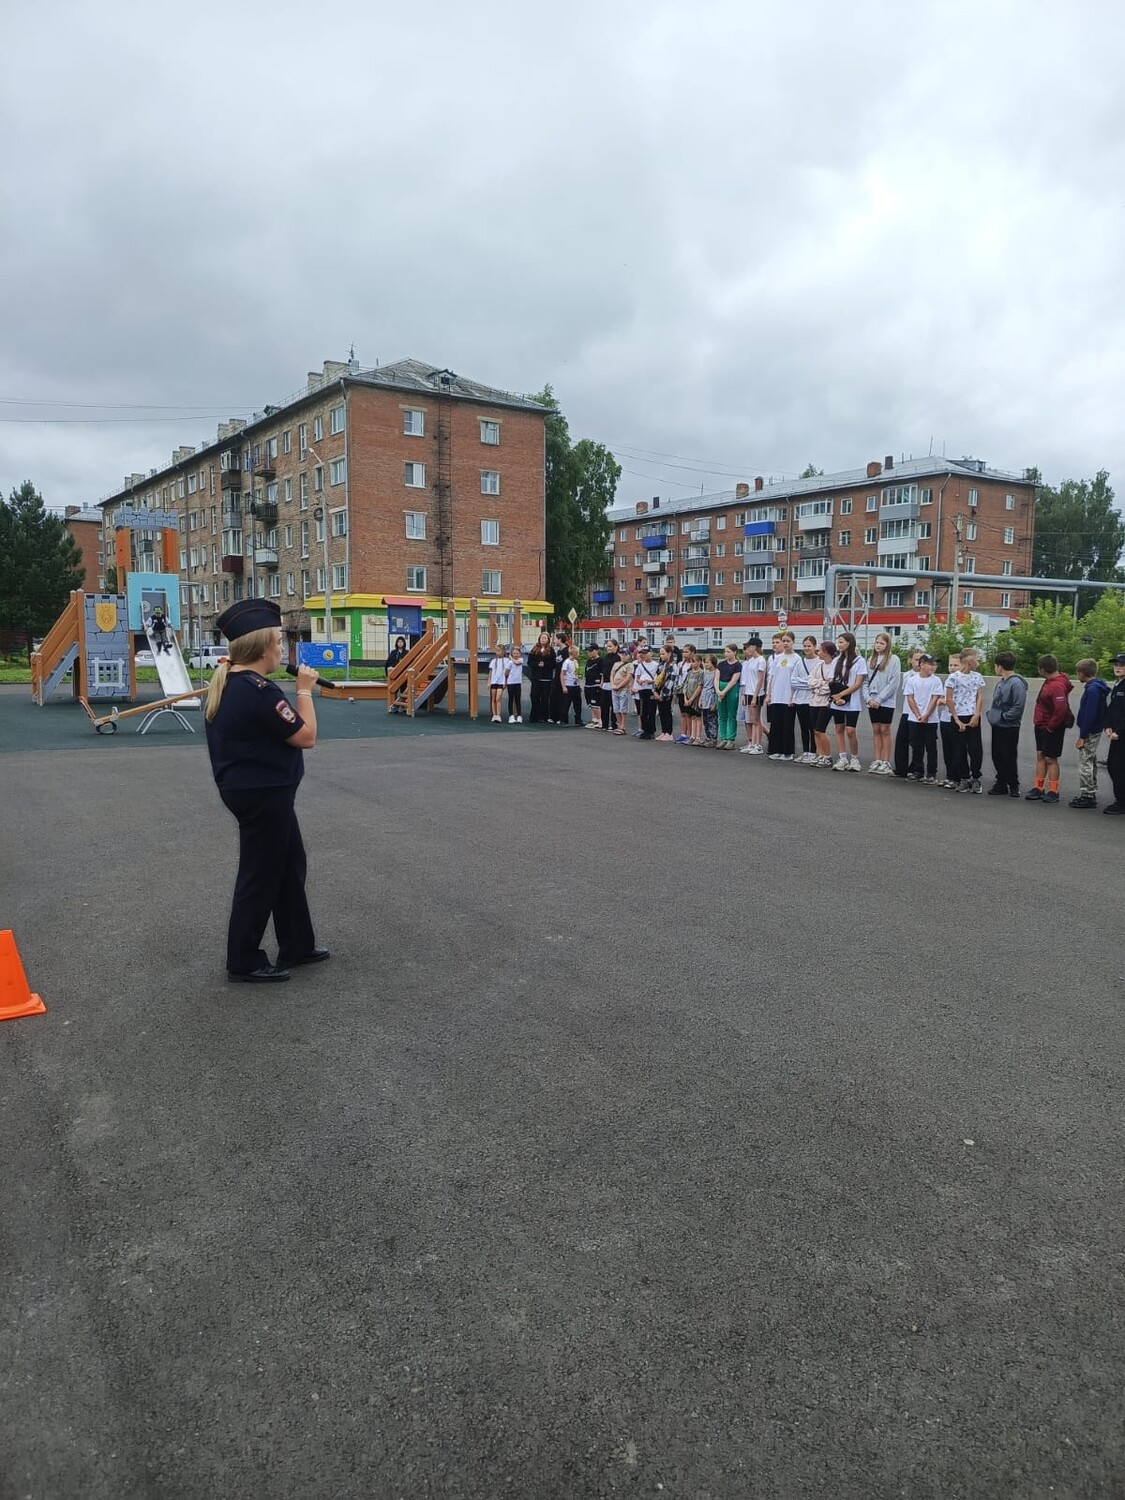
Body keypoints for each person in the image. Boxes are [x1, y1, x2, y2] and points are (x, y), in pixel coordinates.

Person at [205, 599, 326, 984]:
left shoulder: (235, 683)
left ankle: (297, 944)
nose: (282, 648)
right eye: (278, 641)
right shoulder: (257, 691)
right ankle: (243, 959)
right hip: (263, 794)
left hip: (260, 791)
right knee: (261, 875)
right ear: (261, 649)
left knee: (289, 865)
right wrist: (304, 691)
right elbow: (306, 736)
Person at [1026, 654, 1074, 804]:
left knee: (1050, 758)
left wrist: (1051, 727)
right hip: (1041, 724)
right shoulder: (1049, 681)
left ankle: (1054, 790)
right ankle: (1038, 787)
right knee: (1041, 755)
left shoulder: (1056, 685)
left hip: (1051, 726)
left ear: (1042, 669)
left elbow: (1061, 708)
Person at [985, 651, 1027, 797]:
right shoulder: (1001, 682)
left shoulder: (1016, 684)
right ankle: (1001, 783)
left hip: (1009, 726)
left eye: (995, 666)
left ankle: (1013, 784)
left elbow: (1018, 706)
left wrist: (1003, 717)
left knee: (1008, 756)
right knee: (997, 755)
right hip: (998, 725)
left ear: (1000, 667)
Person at [1070, 658, 1110, 809]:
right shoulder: (1098, 687)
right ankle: (1090, 790)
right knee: (1091, 759)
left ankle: (1087, 794)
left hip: (1090, 730)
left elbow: (1089, 714)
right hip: (1096, 729)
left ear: (1081, 673)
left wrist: (1082, 735)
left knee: (1085, 761)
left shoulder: (1092, 690)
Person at [946, 648, 985, 793]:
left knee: (975, 749)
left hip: (972, 715)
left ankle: (976, 777)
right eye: (977, 660)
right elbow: (949, 698)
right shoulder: (953, 678)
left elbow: (979, 696)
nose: (978, 663)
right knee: (959, 749)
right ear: (970, 661)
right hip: (958, 716)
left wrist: (977, 714)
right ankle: (964, 777)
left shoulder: (977, 677)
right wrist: (956, 719)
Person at [830, 632, 868, 771]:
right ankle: (842, 758)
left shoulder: (859, 661)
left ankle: (854, 758)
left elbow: (858, 683)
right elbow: (832, 680)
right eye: (838, 642)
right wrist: (836, 697)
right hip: (837, 700)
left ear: (849, 643)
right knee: (839, 728)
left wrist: (842, 694)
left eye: (841, 642)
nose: (839, 645)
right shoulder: (836, 660)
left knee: (851, 730)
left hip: (852, 700)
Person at [864, 632, 900, 776]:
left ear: (887, 645)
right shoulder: (870, 660)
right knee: (876, 730)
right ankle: (877, 759)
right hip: (871, 700)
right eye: (877, 642)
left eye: (882, 643)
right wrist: (868, 698)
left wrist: (879, 699)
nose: (878, 645)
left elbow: (894, 682)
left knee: (885, 730)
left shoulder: (894, 659)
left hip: (886, 701)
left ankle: (886, 761)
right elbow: (865, 681)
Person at [765, 632, 803, 761]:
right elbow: (771, 677)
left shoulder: (797, 659)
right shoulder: (777, 658)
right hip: (776, 696)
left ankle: (787, 751)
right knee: (776, 724)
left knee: (787, 725)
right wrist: (768, 694)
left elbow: (797, 679)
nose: (785, 643)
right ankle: (776, 750)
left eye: (788, 641)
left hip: (788, 697)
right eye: (784, 641)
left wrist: (793, 696)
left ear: (793, 642)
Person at [904, 653, 942, 782]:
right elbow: (910, 698)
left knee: (931, 746)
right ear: (922, 665)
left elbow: (934, 699)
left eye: (935, 664)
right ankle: (918, 770)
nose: (933, 667)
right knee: (916, 746)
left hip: (931, 719)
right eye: (930, 664)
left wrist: (926, 715)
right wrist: (917, 714)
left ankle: (931, 773)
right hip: (914, 718)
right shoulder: (912, 680)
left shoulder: (936, 680)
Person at [893, 649, 923, 777]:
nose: (919, 663)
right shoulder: (907, 675)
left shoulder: (926, 676)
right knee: (901, 740)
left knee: (916, 742)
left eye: (922, 660)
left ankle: (916, 767)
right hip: (907, 711)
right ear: (910, 660)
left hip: (920, 712)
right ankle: (901, 768)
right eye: (916, 659)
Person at [807, 640, 838, 766]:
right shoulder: (819, 666)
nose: (818, 652)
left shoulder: (835, 666)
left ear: (826, 652)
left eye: (819, 650)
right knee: (815, 730)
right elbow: (810, 681)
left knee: (821, 729)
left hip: (826, 703)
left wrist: (819, 687)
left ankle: (827, 756)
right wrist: (821, 683)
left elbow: (831, 686)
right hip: (814, 702)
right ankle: (820, 754)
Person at [1102, 653, 1125, 815]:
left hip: (1122, 734)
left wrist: (1120, 731)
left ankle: (1122, 803)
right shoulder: (1118, 684)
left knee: (1118, 768)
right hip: (1116, 734)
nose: (1117, 667)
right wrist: (1108, 725)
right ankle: (1120, 799)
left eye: (1121, 664)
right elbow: (1112, 709)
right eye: (1116, 664)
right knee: (1113, 766)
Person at [934, 652, 961, 788]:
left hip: (955, 717)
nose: (952, 668)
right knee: (947, 749)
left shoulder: (961, 680)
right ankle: (949, 776)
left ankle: (957, 777)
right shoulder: (949, 679)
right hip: (944, 717)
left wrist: (947, 701)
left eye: (956, 665)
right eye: (950, 665)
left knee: (957, 749)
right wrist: (941, 701)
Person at [739, 638, 766, 754]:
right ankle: (752, 743)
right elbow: (746, 679)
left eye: (749, 646)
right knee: (751, 719)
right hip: (748, 692)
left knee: (756, 720)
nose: (748, 648)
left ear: (754, 647)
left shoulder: (761, 660)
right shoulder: (751, 661)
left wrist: (755, 696)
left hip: (757, 693)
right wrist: (744, 694)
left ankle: (758, 745)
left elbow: (760, 680)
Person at [795, 636, 819, 763]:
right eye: (804, 646)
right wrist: (809, 683)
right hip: (800, 700)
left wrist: (803, 682)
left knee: (813, 727)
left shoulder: (820, 662)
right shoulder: (800, 662)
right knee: (803, 727)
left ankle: (813, 752)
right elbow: (793, 681)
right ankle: (805, 752)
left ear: (815, 646)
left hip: (814, 700)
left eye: (809, 646)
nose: (806, 648)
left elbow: (819, 682)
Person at [526, 631, 557, 724]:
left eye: (545, 638)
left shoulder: (551, 650)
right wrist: (537, 664)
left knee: (545, 698)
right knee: (534, 696)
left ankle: (544, 716)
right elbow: (529, 662)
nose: (543, 639)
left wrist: (545, 664)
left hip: (546, 678)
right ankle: (534, 716)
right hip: (536, 677)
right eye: (542, 638)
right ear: (539, 639)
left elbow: (553, 664)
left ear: (548, 640)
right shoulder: (534, 649)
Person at [715, 643, 741, 749]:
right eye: (725, 651)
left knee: (731, 715)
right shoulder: (721, 664)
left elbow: (734, 680)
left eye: (728, 652)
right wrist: (718, 691)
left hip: (731, 689)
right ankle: (723, 738)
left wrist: (724, 692)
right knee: (722, 715)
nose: (726, 654)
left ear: (734, 652)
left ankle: (731, 739)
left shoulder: (738, 665)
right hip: (720, 688)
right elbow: (716, 678)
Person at [632, 642, 658, 739]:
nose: (645, 655)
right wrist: (640, 681)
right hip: (642, 689)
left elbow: (658, 678)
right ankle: (644, 729)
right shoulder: (640, 665)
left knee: (651, 711)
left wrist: (651, 681)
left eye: (646, 653)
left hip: (651, 689)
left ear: (651, 653)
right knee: (643, 711)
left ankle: (651, 731)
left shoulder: (656, 665)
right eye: (643, 653)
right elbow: (637, 677)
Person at [654, 645, 677, 740]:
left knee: (667, 712)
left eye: (663, 654)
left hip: (667, 693)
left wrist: (662, 694)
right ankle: (663, 731)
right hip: (658, 691)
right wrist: (655, 691)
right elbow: (656, 678)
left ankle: (669, 733)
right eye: (660, 654)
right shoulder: (660, 665)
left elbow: (671, 681)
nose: (661, 656)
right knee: (661, 712)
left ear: (669, 654)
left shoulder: (672, 666)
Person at [609, 649, 633, 735]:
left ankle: (623, 726)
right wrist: (613, 684)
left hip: (623, 689)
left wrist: (619, 686)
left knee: (623, 708)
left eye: (625, 655)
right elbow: (611, 675)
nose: (623, 656)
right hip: (614, 688)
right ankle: (619, 725)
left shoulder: (630, 665)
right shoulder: (616, 664)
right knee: (616, 708)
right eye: (622, 654)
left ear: (629, 656)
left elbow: (628, 677)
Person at [559, 644, 583, 725]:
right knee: (566, 703)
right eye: (577, 653)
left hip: (575, 685)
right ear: (574, 653)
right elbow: (562, 674)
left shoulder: (575, 662)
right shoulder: (567, 662)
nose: (578, 654)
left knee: (578, 703)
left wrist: (579, 681)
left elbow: (576, 673)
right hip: (568, 685)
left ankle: (578, 719)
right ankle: (563, 719)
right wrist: (564, 686)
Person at [385, 634, 409, 713]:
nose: (400, 643)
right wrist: (387, 673)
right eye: (398, 642)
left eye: (402, 642)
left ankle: (403, 706)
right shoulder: (393, 652)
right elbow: (388, 662)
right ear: (396, 643)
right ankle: (393, 706)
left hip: (403, 674)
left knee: (404, 689)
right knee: (394, 690)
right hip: (395, 674)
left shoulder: (407, 652)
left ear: (404, 643)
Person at [700, 654, 719, 747]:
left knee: (712, 719)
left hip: (711, 695)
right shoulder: (705, 673)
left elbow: (716, 688)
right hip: (705, 696)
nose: (706, 664)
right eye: (705, 662)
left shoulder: (716, 673)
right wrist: (700, 699)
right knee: (705, 719)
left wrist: (715, 702)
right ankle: (708, 737)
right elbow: (702, 686)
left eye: (707, 662)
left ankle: (713, 738)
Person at [583, 644, 604, 729]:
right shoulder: (589, 661)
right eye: (588, 651)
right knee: (591, 704)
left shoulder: (601, 661)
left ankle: (599, 721)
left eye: (591, 650)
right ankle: (594, 720)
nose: (589, 652)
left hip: (596, 685)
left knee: (596, 704)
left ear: (596, 650)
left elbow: (602, 674)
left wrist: (600, 685)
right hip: (588, 684)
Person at [488, 642, 508, 723]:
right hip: (494, 681)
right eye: (496, 651)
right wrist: (489, 681)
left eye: (499, 651)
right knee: (493, 699)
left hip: (501, 682)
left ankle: (498, 715)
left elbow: (507, 673)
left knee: (498, 698)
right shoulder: (493, 661)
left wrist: (505, 682)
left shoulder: (506, 661)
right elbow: (490, 672)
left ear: (503, 651)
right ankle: (494, 714)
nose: (497, 652)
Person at [506, 645, 523, 722]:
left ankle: (519, 715)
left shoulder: (521, 660)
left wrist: (511, 657)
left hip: (518, 683)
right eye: (514, 653)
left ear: (520, 654)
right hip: (510, 683)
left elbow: (516, 662)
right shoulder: (509, 663)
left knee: (517, 700)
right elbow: (506, 672)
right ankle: (511, 716)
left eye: (517, 653)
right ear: (512, 654)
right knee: (511, 699)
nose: (516, 655)